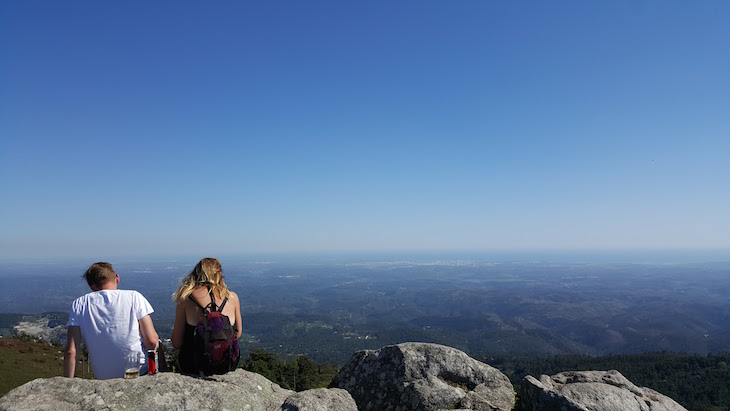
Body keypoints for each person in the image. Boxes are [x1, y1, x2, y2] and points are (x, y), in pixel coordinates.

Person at [64, 262, 159, 379]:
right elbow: (152, 341)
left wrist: (68, 383)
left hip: (104, 379)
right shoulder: (134, 297)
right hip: (138, 373)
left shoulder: (79, 304)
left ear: (90, 285)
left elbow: (71, 351)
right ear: (117, 278)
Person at [171, 257, 242, 374]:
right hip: (226, 364)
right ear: (219, 275)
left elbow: (177, 343)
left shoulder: (186, 298)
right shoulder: (232, 297)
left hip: (193, 365)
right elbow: (237, 333)